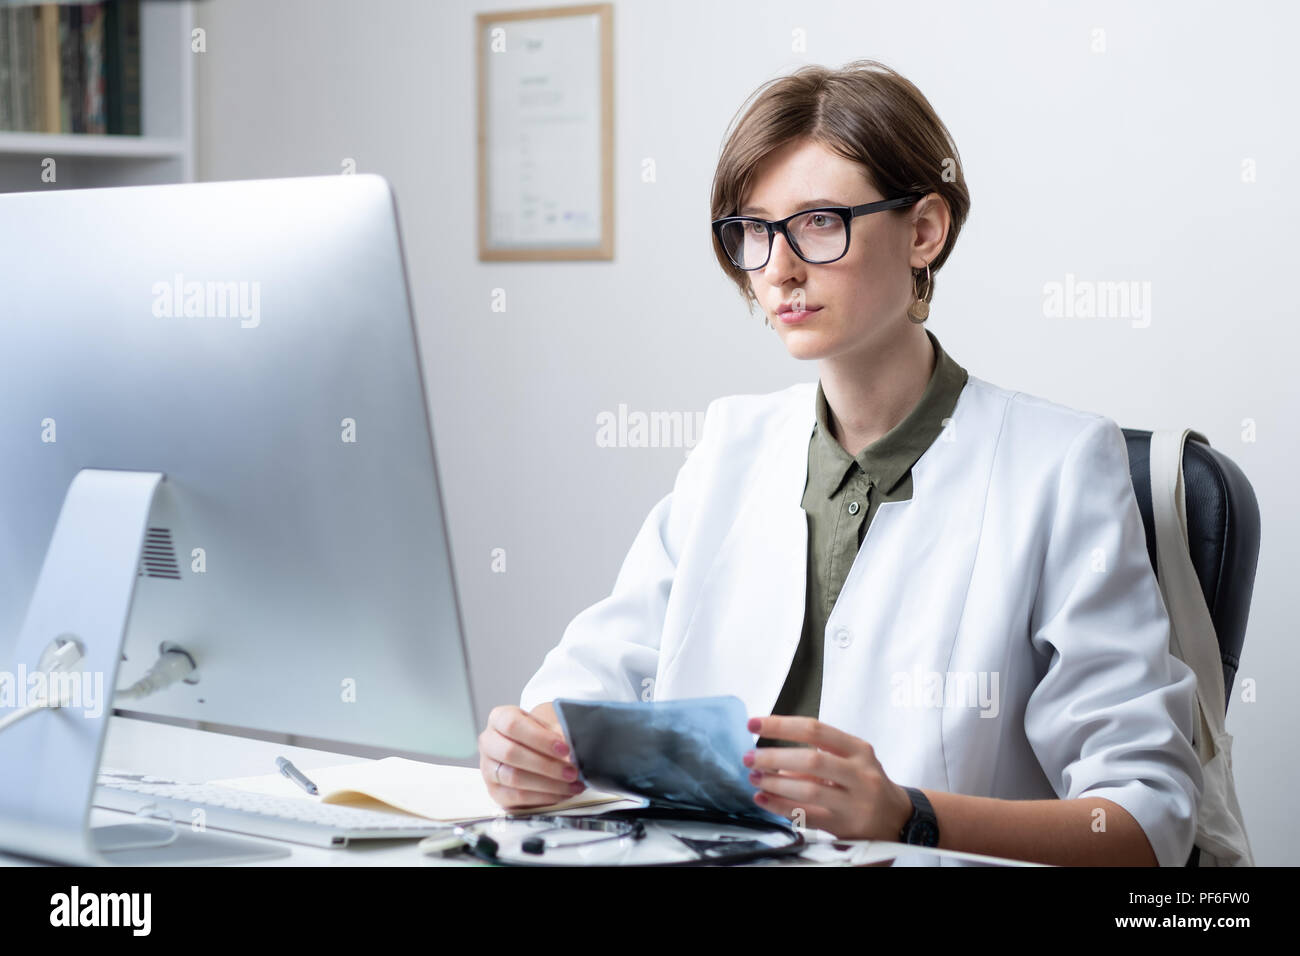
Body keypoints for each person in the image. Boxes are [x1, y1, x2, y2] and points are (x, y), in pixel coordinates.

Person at [477, 59, 1203, 866]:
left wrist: (911, 816)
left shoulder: (1061, 465)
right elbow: (583, 690)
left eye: (819, 221)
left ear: (925, 230)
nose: (777, 267)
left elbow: (1148, 822)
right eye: (753, 230)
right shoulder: (730, 447)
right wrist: (529, 752)